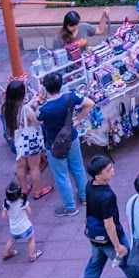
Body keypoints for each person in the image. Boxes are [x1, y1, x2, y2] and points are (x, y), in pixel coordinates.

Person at [72, 154, 139, 278]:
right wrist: (118, 245)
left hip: (95, 238)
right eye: (108, 170)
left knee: (93, 268)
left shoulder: (89, 186)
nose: (112, 171)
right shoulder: (107, 196)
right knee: (127, 262)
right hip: (110, 239)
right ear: (98, 176)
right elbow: (109, 225)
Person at [38, 70, 92, 214]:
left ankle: (70, 207)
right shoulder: (71, 97)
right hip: (71, 137)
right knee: (78, 168)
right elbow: (90, 103)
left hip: (54, 143)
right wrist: (79, 119)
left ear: (45, 88)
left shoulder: (44, 109)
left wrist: (40, 101)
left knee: (62, 176)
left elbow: (37, 120)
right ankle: (84, 197)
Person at [1, 79, 47, 201]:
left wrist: (32, 101)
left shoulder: (6, 107)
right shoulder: (25, 110)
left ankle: (23, 188)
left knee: (21, 166)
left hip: (17, 140)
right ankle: (38, 191)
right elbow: (38, 120)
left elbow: (22, 110)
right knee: (34, 167)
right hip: (30, 140)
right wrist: (39, 104)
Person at [0, 180, 40, 261]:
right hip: (25, 227)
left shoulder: (6, 204)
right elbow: (29, 212)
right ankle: (32, 256)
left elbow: (3, 216)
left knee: (12, 240)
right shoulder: (22, 203)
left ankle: (6, 254)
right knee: (31, 239)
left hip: (14, 229)